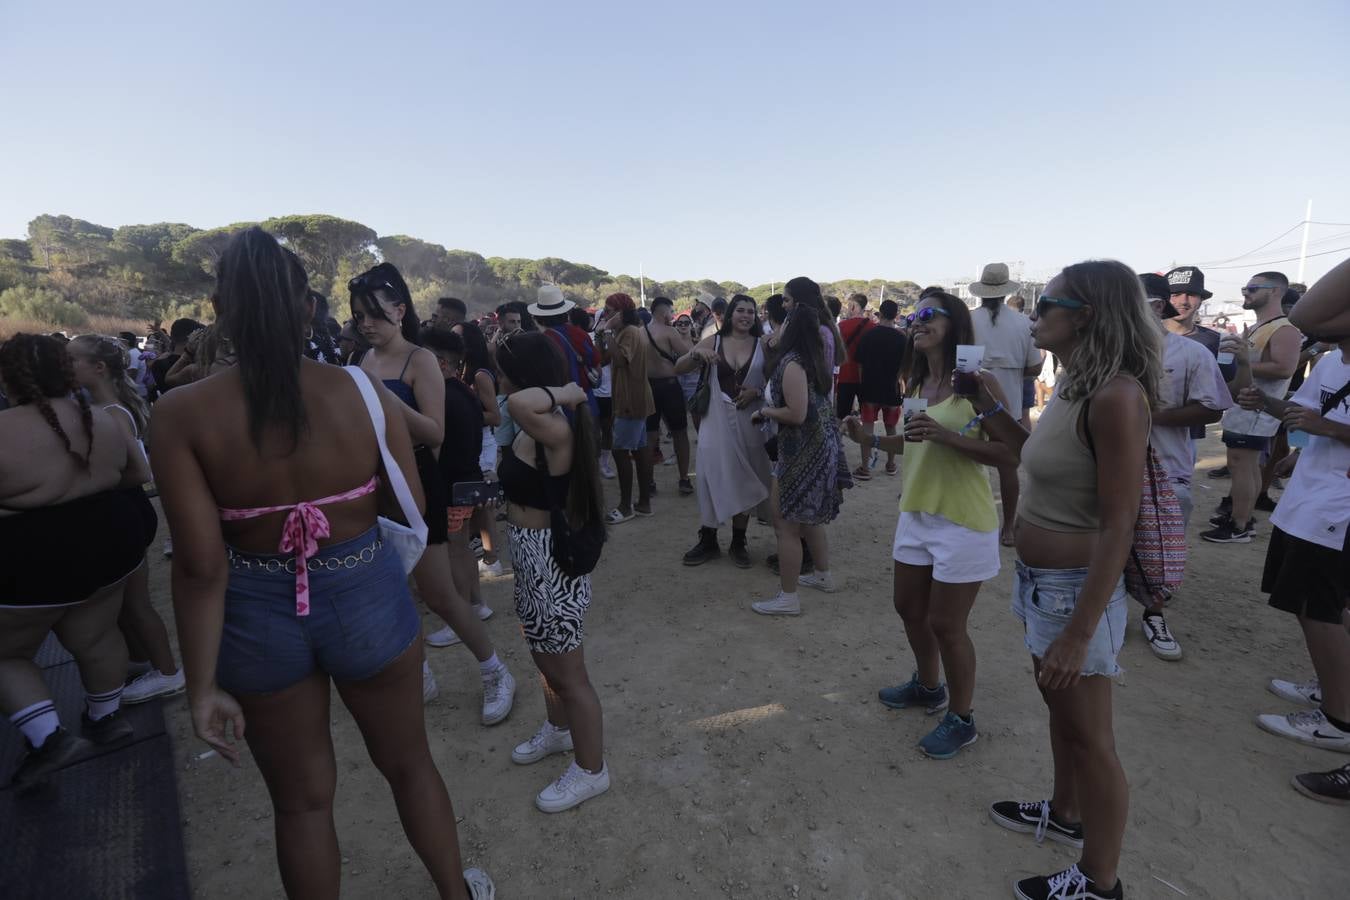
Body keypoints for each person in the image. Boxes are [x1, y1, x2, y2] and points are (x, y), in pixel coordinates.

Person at [152, 229, 493, 898]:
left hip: (255, 613)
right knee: (411, 766)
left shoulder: (178, 414)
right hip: (364, 588)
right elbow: (413, 508)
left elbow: (198, 568)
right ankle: (457, 893)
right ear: (307, 310)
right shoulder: (360, 392)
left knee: (302, 804)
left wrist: (200, 688)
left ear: (219, 308)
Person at [983, 260, 1161, 900]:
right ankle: (1065, 813)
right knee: (1062, 715)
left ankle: (1100, 880)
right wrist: (986, 407)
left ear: (1083, 314)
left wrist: (1079, 634)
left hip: (1074, 594)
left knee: (1093, 739)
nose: (1034, 312)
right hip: (1041, 581)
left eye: (1046, 302)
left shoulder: (1117, 396)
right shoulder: (1072, 385)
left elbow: (1119, 526)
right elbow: (1024, 454)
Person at [843, 291, 1016, 759]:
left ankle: (962, 718)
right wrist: (873, 441)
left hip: (962, 520)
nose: (915, 322)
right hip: (917, 514)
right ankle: (928, 686)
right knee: (907, 608)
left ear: (954, 322)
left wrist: (948, 438)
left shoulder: (979, 384)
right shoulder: (917, 381)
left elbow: (1012, 453)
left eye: (927, 315)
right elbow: (917, 444)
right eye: (912, 316)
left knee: (947, 624)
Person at [350, 261, 515, 722]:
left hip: (420, 485)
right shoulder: (364, 360)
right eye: (358, 316)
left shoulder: (419, 360)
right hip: (377, 485)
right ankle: (419, 675)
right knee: (392, 592)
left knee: (440, 595)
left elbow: (435, 431)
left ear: (400, 310)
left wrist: (382, 400)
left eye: (374, 314)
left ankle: (496, 672)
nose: (366, 324)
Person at [0, 334, 152, 788]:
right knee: (96, 635)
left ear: (8, 378)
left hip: (29, 556)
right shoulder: (103, 420)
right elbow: (139, 473)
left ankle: (47, 736)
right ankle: (106, 717)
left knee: (5, 653)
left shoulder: (5, 429)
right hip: (111, 541)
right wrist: (82, 488)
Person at [495, 331, 611, 813]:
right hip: (529, 555)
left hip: (549, 561)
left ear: (520, 376)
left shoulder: (553, 425)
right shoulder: (534, 423)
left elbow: (518, 402)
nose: (497, 378)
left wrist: (567, 388)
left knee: (569, 672)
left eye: (502, 369)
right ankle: (559, 730)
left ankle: (591, 770)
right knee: (543, 654)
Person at [1238, 324, 1350, 756]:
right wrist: (1263, 401)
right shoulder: (1328, 363)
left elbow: (1324, 422)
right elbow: (1300, 413)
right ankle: (1330, 689)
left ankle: (1338, 722)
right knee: (1321, 606)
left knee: (1318, 608)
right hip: (1310, 495)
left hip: (1336, 507)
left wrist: (1327, 428)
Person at [66, 334, 187, 703]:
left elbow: (137, 471)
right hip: (121, 510)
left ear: (98, 368)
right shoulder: (101, 408)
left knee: (136, 602)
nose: (66, 368)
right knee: (126, 601)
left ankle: (168, 671)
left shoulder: (111, 414)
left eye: (73, 361)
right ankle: (140, 657)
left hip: (124, 511)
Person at [1135, 273, 1231, 662]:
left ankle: (1154, 614)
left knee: (1160, 549)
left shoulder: (1192, 354)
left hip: (1165, 467)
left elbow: (1212, 406)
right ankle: (1100, 612)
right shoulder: (1106, 351)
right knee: (1101, 539)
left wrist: (1152, 415)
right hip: (1105, 465)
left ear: (1156, 307)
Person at [750, 282, 851, 615]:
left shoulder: (793, 363)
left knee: (785, 524)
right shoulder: (813, 360)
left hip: (800, 450)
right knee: (809, 520)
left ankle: (788, 597)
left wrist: (764, 411)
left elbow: (796, 413)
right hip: (816, 446)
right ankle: (823, 575)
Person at [1201, 271, 1301, 543]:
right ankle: (1244, 515)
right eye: (1245, 288)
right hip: (1244, 407)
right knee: (1247, 465)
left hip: (1257, 410)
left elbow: (1284, 368)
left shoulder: (1285, 329)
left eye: (1253, 288)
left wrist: (1242, 362)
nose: (1246, 293)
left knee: (1241, 464)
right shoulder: (1260, 325)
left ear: (1276, 291)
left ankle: (1239, 525)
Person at [676, 295, 771, 567]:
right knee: (709, 476)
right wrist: (695, 353)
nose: (746, 316)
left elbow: (777, 381)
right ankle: (708, 538)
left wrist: (757, 391)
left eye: (751, 312)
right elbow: (678, 367)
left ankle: (738, 541)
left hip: (750, 422)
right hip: (715, 421)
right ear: (730, 314)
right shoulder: (714, 340)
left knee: (746, 477)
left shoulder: (763, 345)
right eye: (740, 310)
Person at [421, 327, 496, 633]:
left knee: (455, 550)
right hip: (466, 481)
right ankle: (476, 604)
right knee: (462, 547)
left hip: (452, 486)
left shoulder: (442, 397)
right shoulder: (462, 391)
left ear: (440, 363)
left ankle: (461, 616)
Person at [969, 262, 1044, 546]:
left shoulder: (967, 320)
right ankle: (1008, 528)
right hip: (1008, 402)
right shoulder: (1024, 323)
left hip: (968, 400)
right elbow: (1035, 369)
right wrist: (1011, 371)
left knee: (962, 458)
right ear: (1005, 291)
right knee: (1007, 466)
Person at [452, 321, 506, 585]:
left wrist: (460, 412)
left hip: (482, 442)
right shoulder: (461, 371)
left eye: (457, 338)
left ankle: (492, 560)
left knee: (483, 504)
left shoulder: (480, 375)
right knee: (474, 505)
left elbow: (495, 417)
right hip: (469, 440)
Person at [599, 293, 654, 523]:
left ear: (622, 312)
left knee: (621, 451)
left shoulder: (629, 332)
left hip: (631, 401)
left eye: (610, 310)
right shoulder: (625, 332)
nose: (606, 314)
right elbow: (602, 358)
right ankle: (643, 503)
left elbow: (620, 360)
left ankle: (625, 506)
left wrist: (608, 331)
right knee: (640, 450)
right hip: (633, 398)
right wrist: (602, 333)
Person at [642, 297, 695, 494]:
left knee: (650, 435)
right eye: (671, 313)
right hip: (670, 386)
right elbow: (689, 355)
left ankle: (649, 482)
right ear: (664, 313)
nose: (672, 316)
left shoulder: (640, 332)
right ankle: (683, 479)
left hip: (648, 386)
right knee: (680, 433)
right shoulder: (669, 331)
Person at [852, 299, 907, 477]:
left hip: (869, 388)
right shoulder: (901, 338)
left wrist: (862, 383)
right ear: (896, 315)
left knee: (867, 428)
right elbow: (905, 367)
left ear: (880, 314)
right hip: (892, 389)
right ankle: (891, 464)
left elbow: (859, 363)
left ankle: (865, 467)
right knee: (891, 428)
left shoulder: (869, 335)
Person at [532, 285, 601, 419]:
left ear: (539, 316)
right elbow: (597, 368)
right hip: (587, 404)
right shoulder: (580, 334)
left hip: (558, 409)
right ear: (565, 312)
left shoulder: (541, 341)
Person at [835, 293, 874, 470]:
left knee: (839, 418)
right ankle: (865, 465)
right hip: (866, 378)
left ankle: (833, 457)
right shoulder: (873, 327)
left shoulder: (841, 326)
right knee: (868, 421)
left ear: (853, 306)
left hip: (845, 376)